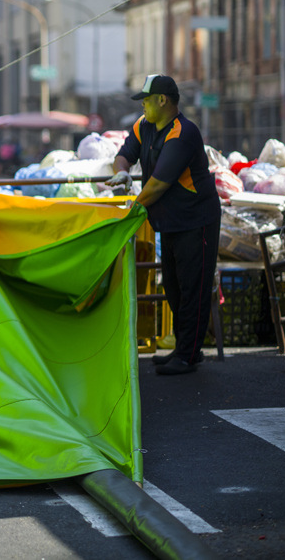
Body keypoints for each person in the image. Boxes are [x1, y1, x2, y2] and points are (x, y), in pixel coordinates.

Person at [106, 75, 222, 376]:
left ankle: (188, 355)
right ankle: (185, 348)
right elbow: (124, 155)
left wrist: (133, 209)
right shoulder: (143, 126)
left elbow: (157, 184)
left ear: (162, 100)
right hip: (170, 220)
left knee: (192, 286)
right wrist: (121, 173)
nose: (142, 104)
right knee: (172, 285)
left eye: (146, 99)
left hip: (196, 219)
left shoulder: (183, 133)